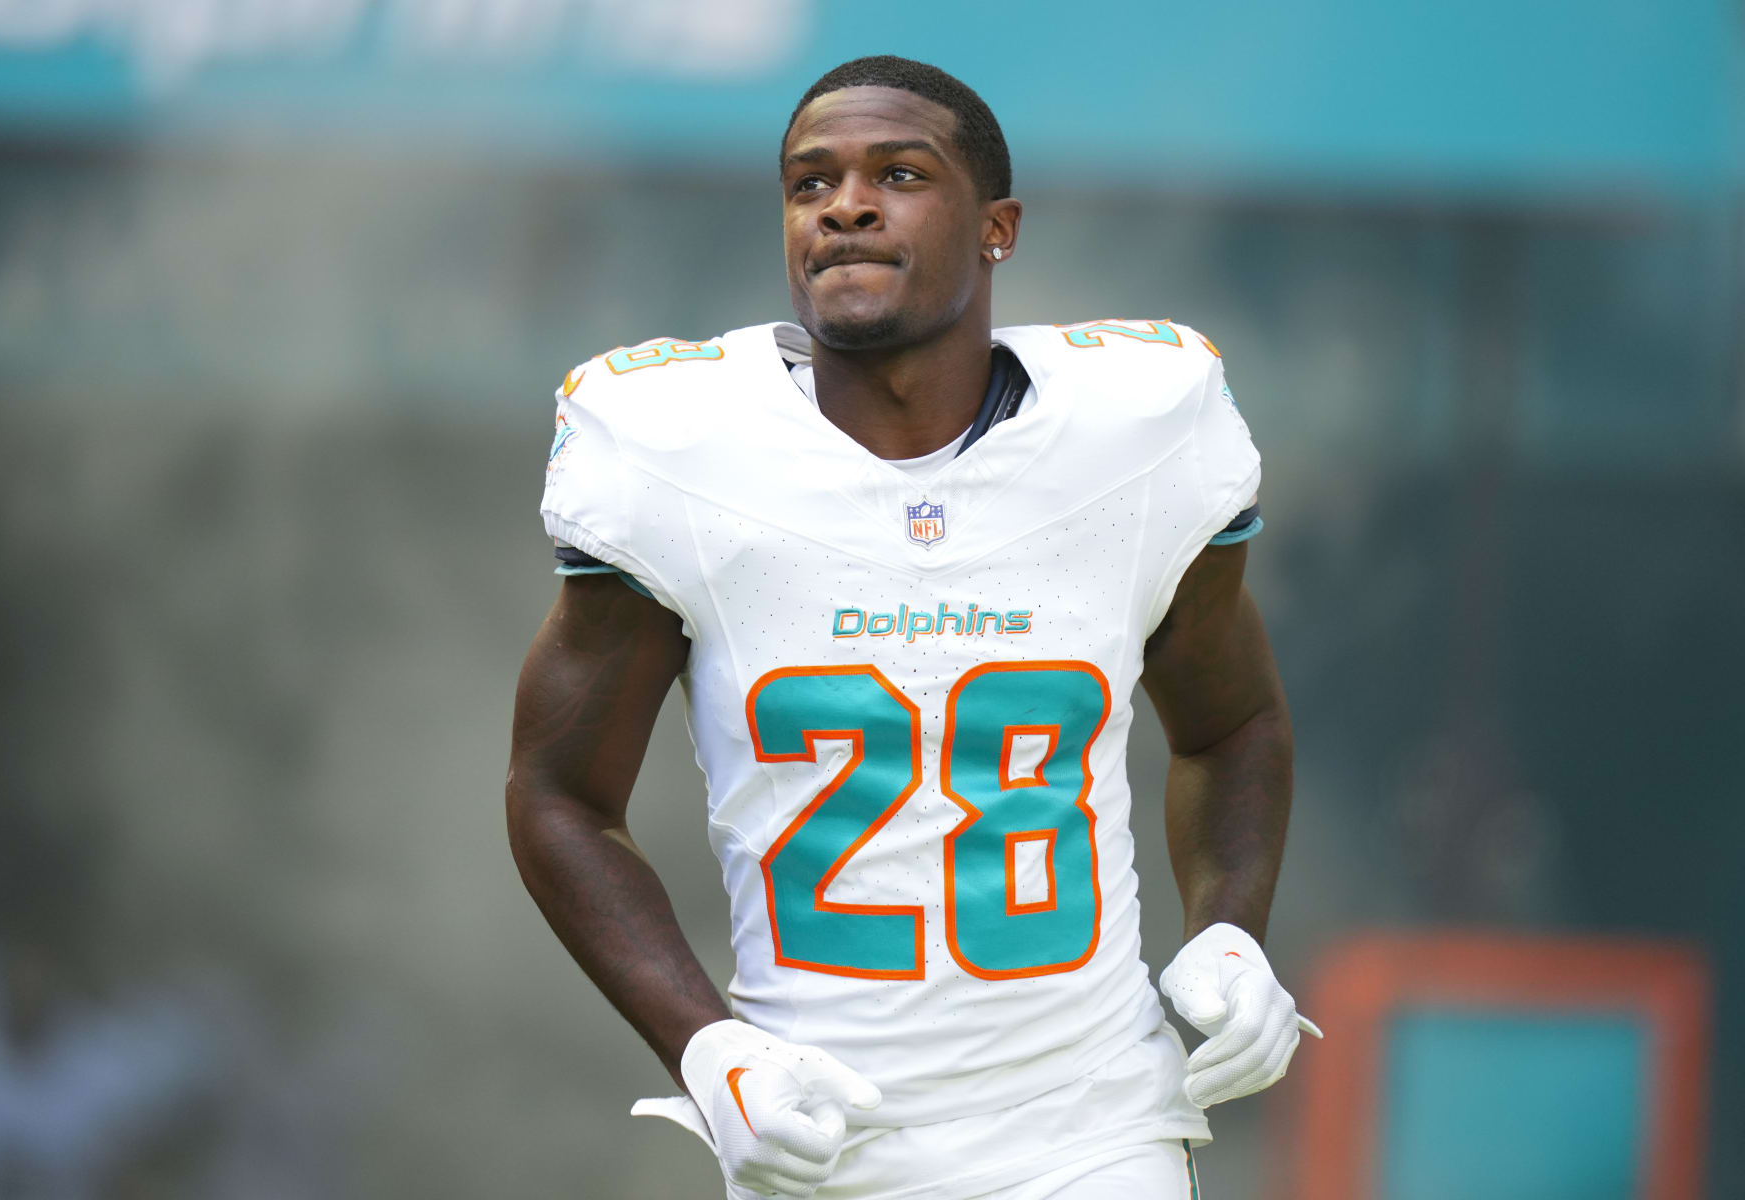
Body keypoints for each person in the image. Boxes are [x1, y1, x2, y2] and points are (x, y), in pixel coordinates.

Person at [507, 55, 1317, 1200]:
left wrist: (1230, 930)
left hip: (1089, 1131)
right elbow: (559, 796)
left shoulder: (1139, 429)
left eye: (898, 172)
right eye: (809, 183)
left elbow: (1231, 726)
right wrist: (707, 1047)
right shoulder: (676, 451)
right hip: (824, 1139)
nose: (844, 205)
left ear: (998, 229)